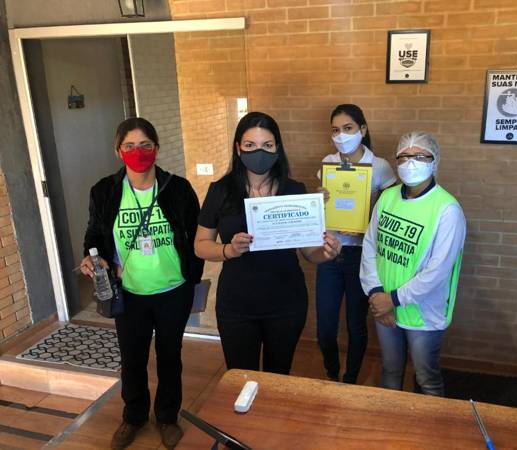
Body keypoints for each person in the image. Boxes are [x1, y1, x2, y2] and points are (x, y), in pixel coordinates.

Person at [80, 117, 203, 450]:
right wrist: (92, 256)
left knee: (169, 356)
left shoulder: (178, 189)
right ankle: (133, 417)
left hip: (173, 291)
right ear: (118, 151)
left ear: (156, 148)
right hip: (129, 293)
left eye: (145, 145)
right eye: (130, 146)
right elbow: (95, 233)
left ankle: (167, 417)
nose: (138, 152)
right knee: (132, 359)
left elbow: (196, 236)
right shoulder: (105, 191)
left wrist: (192, 277)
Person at [195, 111, 342, 375]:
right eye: (250, 145)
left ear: (277, 148)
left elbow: (310, 252)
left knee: (278, 376)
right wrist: (229, 250)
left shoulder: (295, 191)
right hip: (237, 304)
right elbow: (201, 245)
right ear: (238, 148)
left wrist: (326, 252)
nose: (259, 152)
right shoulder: (220, 190)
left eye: (267, 145)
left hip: (286, 302)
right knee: (241, 378)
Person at [360, 131, 466, 396]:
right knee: (390, 369)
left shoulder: (447, 209)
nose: (411, 162)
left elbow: (437, 272)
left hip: (422, 313)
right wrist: (377, 294)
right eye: (404, 156)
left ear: (434, 160)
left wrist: (393, 300)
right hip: (384, 305)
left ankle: (432, 422)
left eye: (420, 156)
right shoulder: (387, 198)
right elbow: (371, 246)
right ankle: (390, 419)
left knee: (426, 377)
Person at [316, 104, 396, 383]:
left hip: (362, 255)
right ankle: (331, 372)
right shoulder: (328, 162)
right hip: (329, 251)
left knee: (355, 324)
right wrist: (319, 200)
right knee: (325, 327)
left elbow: (390, 209)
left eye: (348, 128)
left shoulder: (380, 166)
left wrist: (367, 218)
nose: (341, 135)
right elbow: (320, 211)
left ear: (362, 129)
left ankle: (350, 379)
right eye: (335, 130)